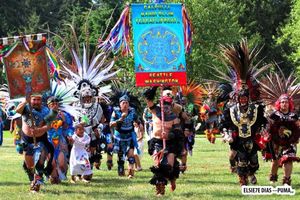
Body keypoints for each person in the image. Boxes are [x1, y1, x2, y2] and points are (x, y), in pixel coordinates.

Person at [259, 72, 300, 185]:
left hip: (290, 141)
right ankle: (273, 176)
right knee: (276, 161)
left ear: (289, 103)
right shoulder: (274, 115)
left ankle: (287, 180)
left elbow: (298, 127)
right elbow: (267, 126)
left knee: (288, 158)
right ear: (279, 103)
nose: (284, 104)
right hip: (276, 142)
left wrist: (296, 137)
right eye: (282, 102)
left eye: (286, 102)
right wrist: (266, 136)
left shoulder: (294, 115)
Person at [143, 86, 184, 196]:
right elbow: (148, 99)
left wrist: (169, 135)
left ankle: (172, 177)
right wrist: (155, 87)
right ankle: (160, 189)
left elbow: (178, 133)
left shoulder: (174, 117)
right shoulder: (155, 111)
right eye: (164, 103)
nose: (166, 106)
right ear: (160, 102)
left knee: (169, 165)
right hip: (157, 142)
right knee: (158, 165)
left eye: (168, 103)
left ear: (172, 104)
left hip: (170, 144)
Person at [15, 94, 55, 192]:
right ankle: (32, 178)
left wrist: (39, 129)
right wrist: (25, 101)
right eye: (34, 99)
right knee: (30, 166)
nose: (36, 102)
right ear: (30, 99)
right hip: (27, 140)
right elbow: (17, 111)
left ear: (42, 100)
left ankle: (36, 184)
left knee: (39, 162)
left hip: (41, 139)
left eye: (38, 100)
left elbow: (49, 125)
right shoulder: (25, 107)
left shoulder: (46, 111)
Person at [110, 94, 139, 178]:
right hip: (119, 136)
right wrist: (121, 119)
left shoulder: (132, 111)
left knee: (131, 155)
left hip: (130, 135)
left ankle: (130, 172)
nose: (125, 104)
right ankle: (121, 168)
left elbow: (136, 119)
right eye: (123, 103)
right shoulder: (115, 111)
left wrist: (138, 124)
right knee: (121, 155)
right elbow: (111, 124)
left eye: (127, 103)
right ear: (120, 104)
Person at [47, 96, 73, 184]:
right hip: (48, 141)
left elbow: (69, 128)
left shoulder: (64, 115)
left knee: (62, 164)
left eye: (56, 104)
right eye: (52, 104)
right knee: (52, 163)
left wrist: (69, 135)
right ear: (48, 105)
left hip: (60, 142)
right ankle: (53, 176)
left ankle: (61, 174)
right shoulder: (45, 115)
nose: (54, 106)